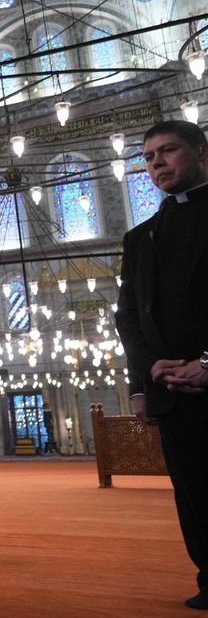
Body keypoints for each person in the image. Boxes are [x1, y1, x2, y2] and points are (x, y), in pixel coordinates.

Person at [114, 120, 208, 611]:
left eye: (167, 151)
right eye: (149, 157)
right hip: (170, 391)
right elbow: (127, 316)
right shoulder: (142, 237)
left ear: (200, 151)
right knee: (193, 492)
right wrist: (146, 375)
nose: (156, 164)